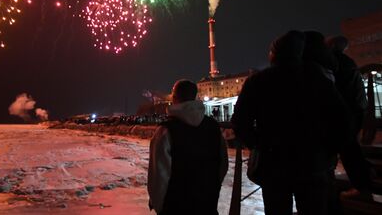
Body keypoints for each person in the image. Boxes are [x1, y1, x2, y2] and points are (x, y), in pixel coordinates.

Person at [232, 30, 350, 215]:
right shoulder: (317, 79)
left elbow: (239, 122)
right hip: (312, 163)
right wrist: (326, 150)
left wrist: (259, 144)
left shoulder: (258, 81)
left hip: (274, 165)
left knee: (277, 209)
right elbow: (342, 119)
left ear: (275, 52)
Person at [148, 80, 228, 215]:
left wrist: (159, 207)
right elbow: (223, 164)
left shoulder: (165, 131)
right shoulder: (213, 127)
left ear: (174, 98)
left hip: (175, 207)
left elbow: (158, 176)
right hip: (207, 205)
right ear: (195, 96)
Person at [326, 35, 372, 201]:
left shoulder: (333, 63)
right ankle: (364, 178)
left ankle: (361, 185)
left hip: (345, 113)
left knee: (348, 150)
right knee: (351, 148)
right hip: (355, 111)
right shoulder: (348, 62)